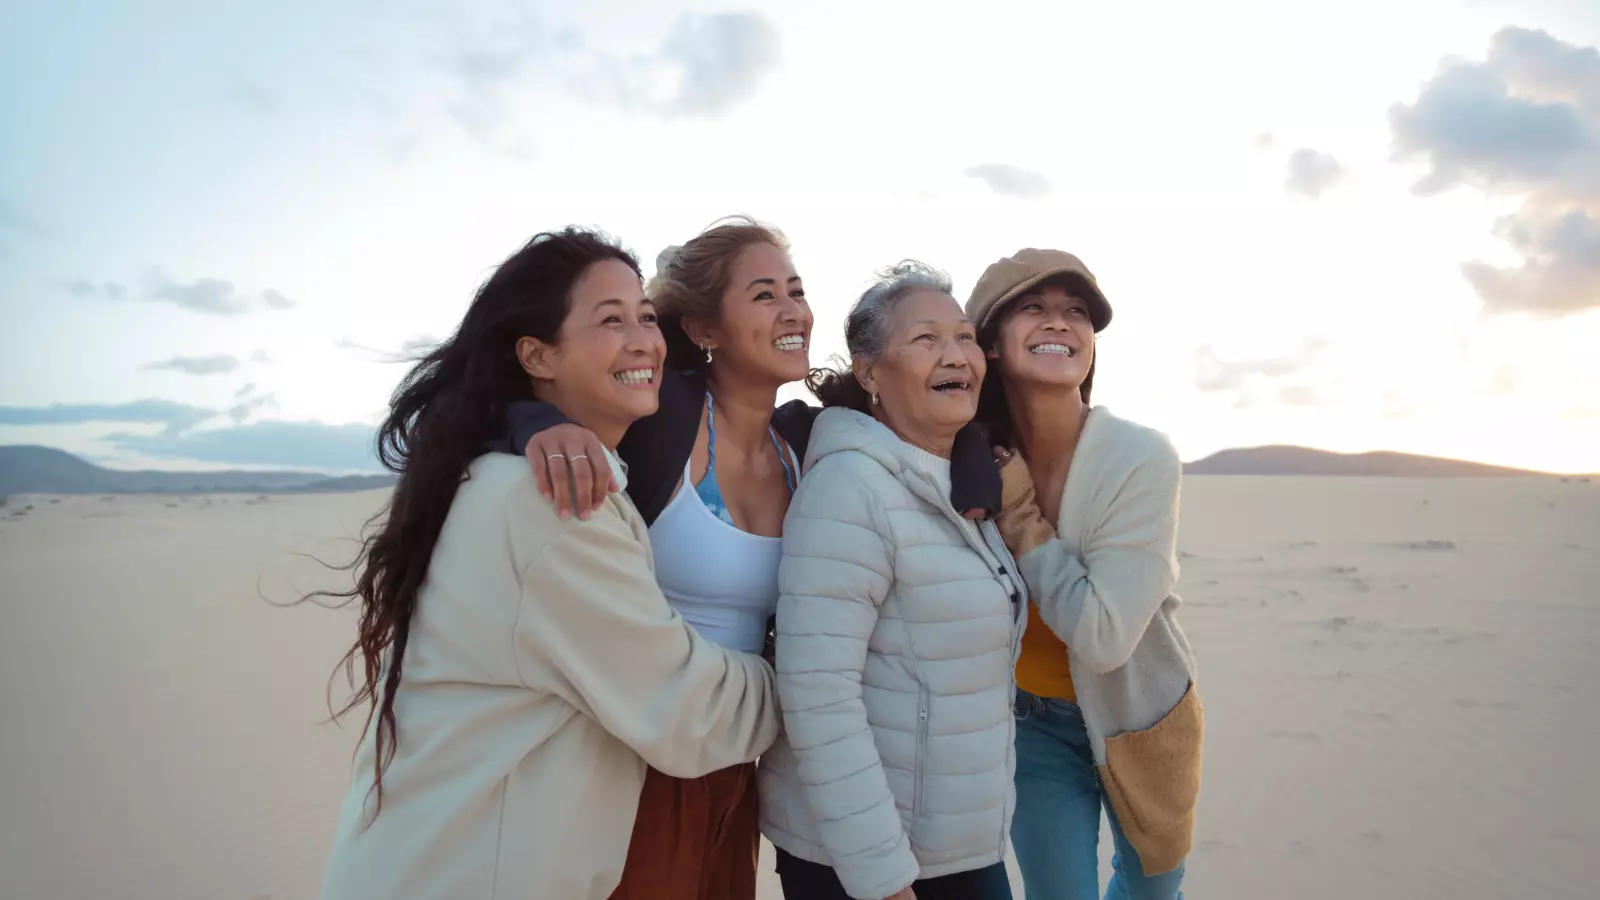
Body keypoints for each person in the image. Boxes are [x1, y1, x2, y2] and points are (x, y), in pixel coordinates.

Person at [495, 219, 1002, 899]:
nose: (793, 310)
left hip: (735, 759)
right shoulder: (662, 416)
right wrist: (539, 424)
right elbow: (501, 408)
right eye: (764, 296)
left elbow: (931, 419)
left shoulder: (804, 440)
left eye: (796, 290)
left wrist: (976, 474)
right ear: (706, 328)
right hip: (623, 752)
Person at [316, 228, 779, 900]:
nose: (643, 340)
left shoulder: (495, 475)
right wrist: (804, 682)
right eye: (610, 320)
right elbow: (685, 712)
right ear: (537, 354)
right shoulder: (552, 504)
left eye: (646, 317)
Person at [760, 262, 1023, 900]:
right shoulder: (852, 486)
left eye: (963, 337)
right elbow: (819, 694)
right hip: (874, 860)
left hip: (955, 843)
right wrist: (880, 875)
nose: (955, 354)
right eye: (926, 339)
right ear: (871, 371)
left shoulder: (958, 481)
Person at [966, 248, 1203, 900]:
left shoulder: (1138, 458)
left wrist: (1021, 516)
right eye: (1034, 308)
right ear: (988, 341)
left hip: (1144, 717)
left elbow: (1101, 636)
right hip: (1028, 723)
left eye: (1077, 312)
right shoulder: (966, 460)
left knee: (1151, 891)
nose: (1060, 323)